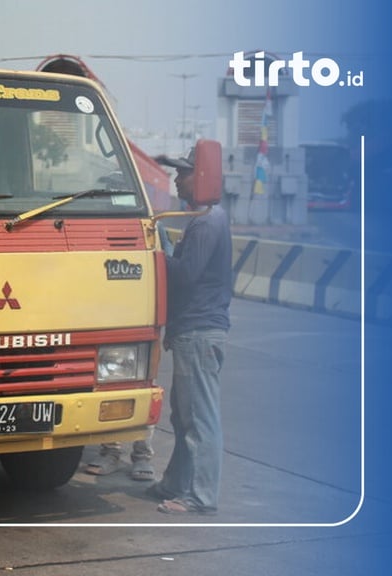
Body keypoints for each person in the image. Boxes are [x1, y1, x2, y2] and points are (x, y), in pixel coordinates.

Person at [147, 148, 233, 515]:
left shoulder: (206, 223)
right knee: (184, 416)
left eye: (184, 174)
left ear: (200, 178)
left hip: (199, 332)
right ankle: (175, 483)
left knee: (198, 417)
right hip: (194, 330)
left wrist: (157, 253)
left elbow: (184, 276)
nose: (178, 180)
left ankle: (199, 496)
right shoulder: (207, 219)